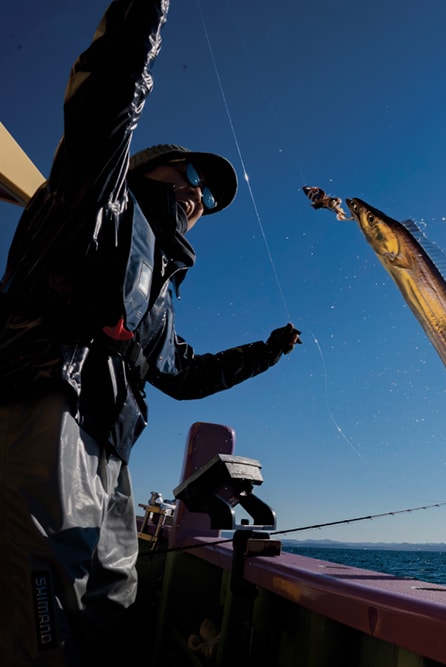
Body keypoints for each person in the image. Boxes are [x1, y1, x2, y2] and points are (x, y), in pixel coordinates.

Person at [0, 2, 300, 664]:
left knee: (113, 608)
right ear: (144, 170)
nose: (200, 196)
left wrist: (268, 352)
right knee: (45, 623)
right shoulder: (96, 201)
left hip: (111, 457)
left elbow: (187, 375)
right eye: (191, 176)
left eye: (210, 197)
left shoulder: (158, 297)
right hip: (50, 413)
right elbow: (109, 88)